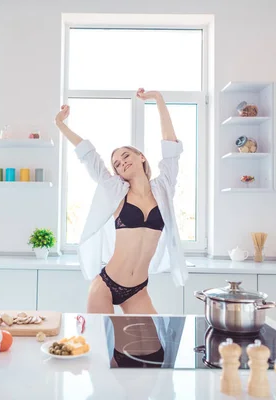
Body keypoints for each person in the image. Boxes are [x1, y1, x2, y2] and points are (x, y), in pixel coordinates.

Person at [55, 88, 188, 314]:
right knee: (104, 349)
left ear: (141, 157)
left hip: (137, 290)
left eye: (126, 156)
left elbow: (171, 147)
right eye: (116, 163)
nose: (121, 162)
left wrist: (158, 99)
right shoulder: (117, 192)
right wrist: (61, 125)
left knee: (153, 349)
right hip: (106, 286)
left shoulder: (163, 188)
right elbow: (89, 155)